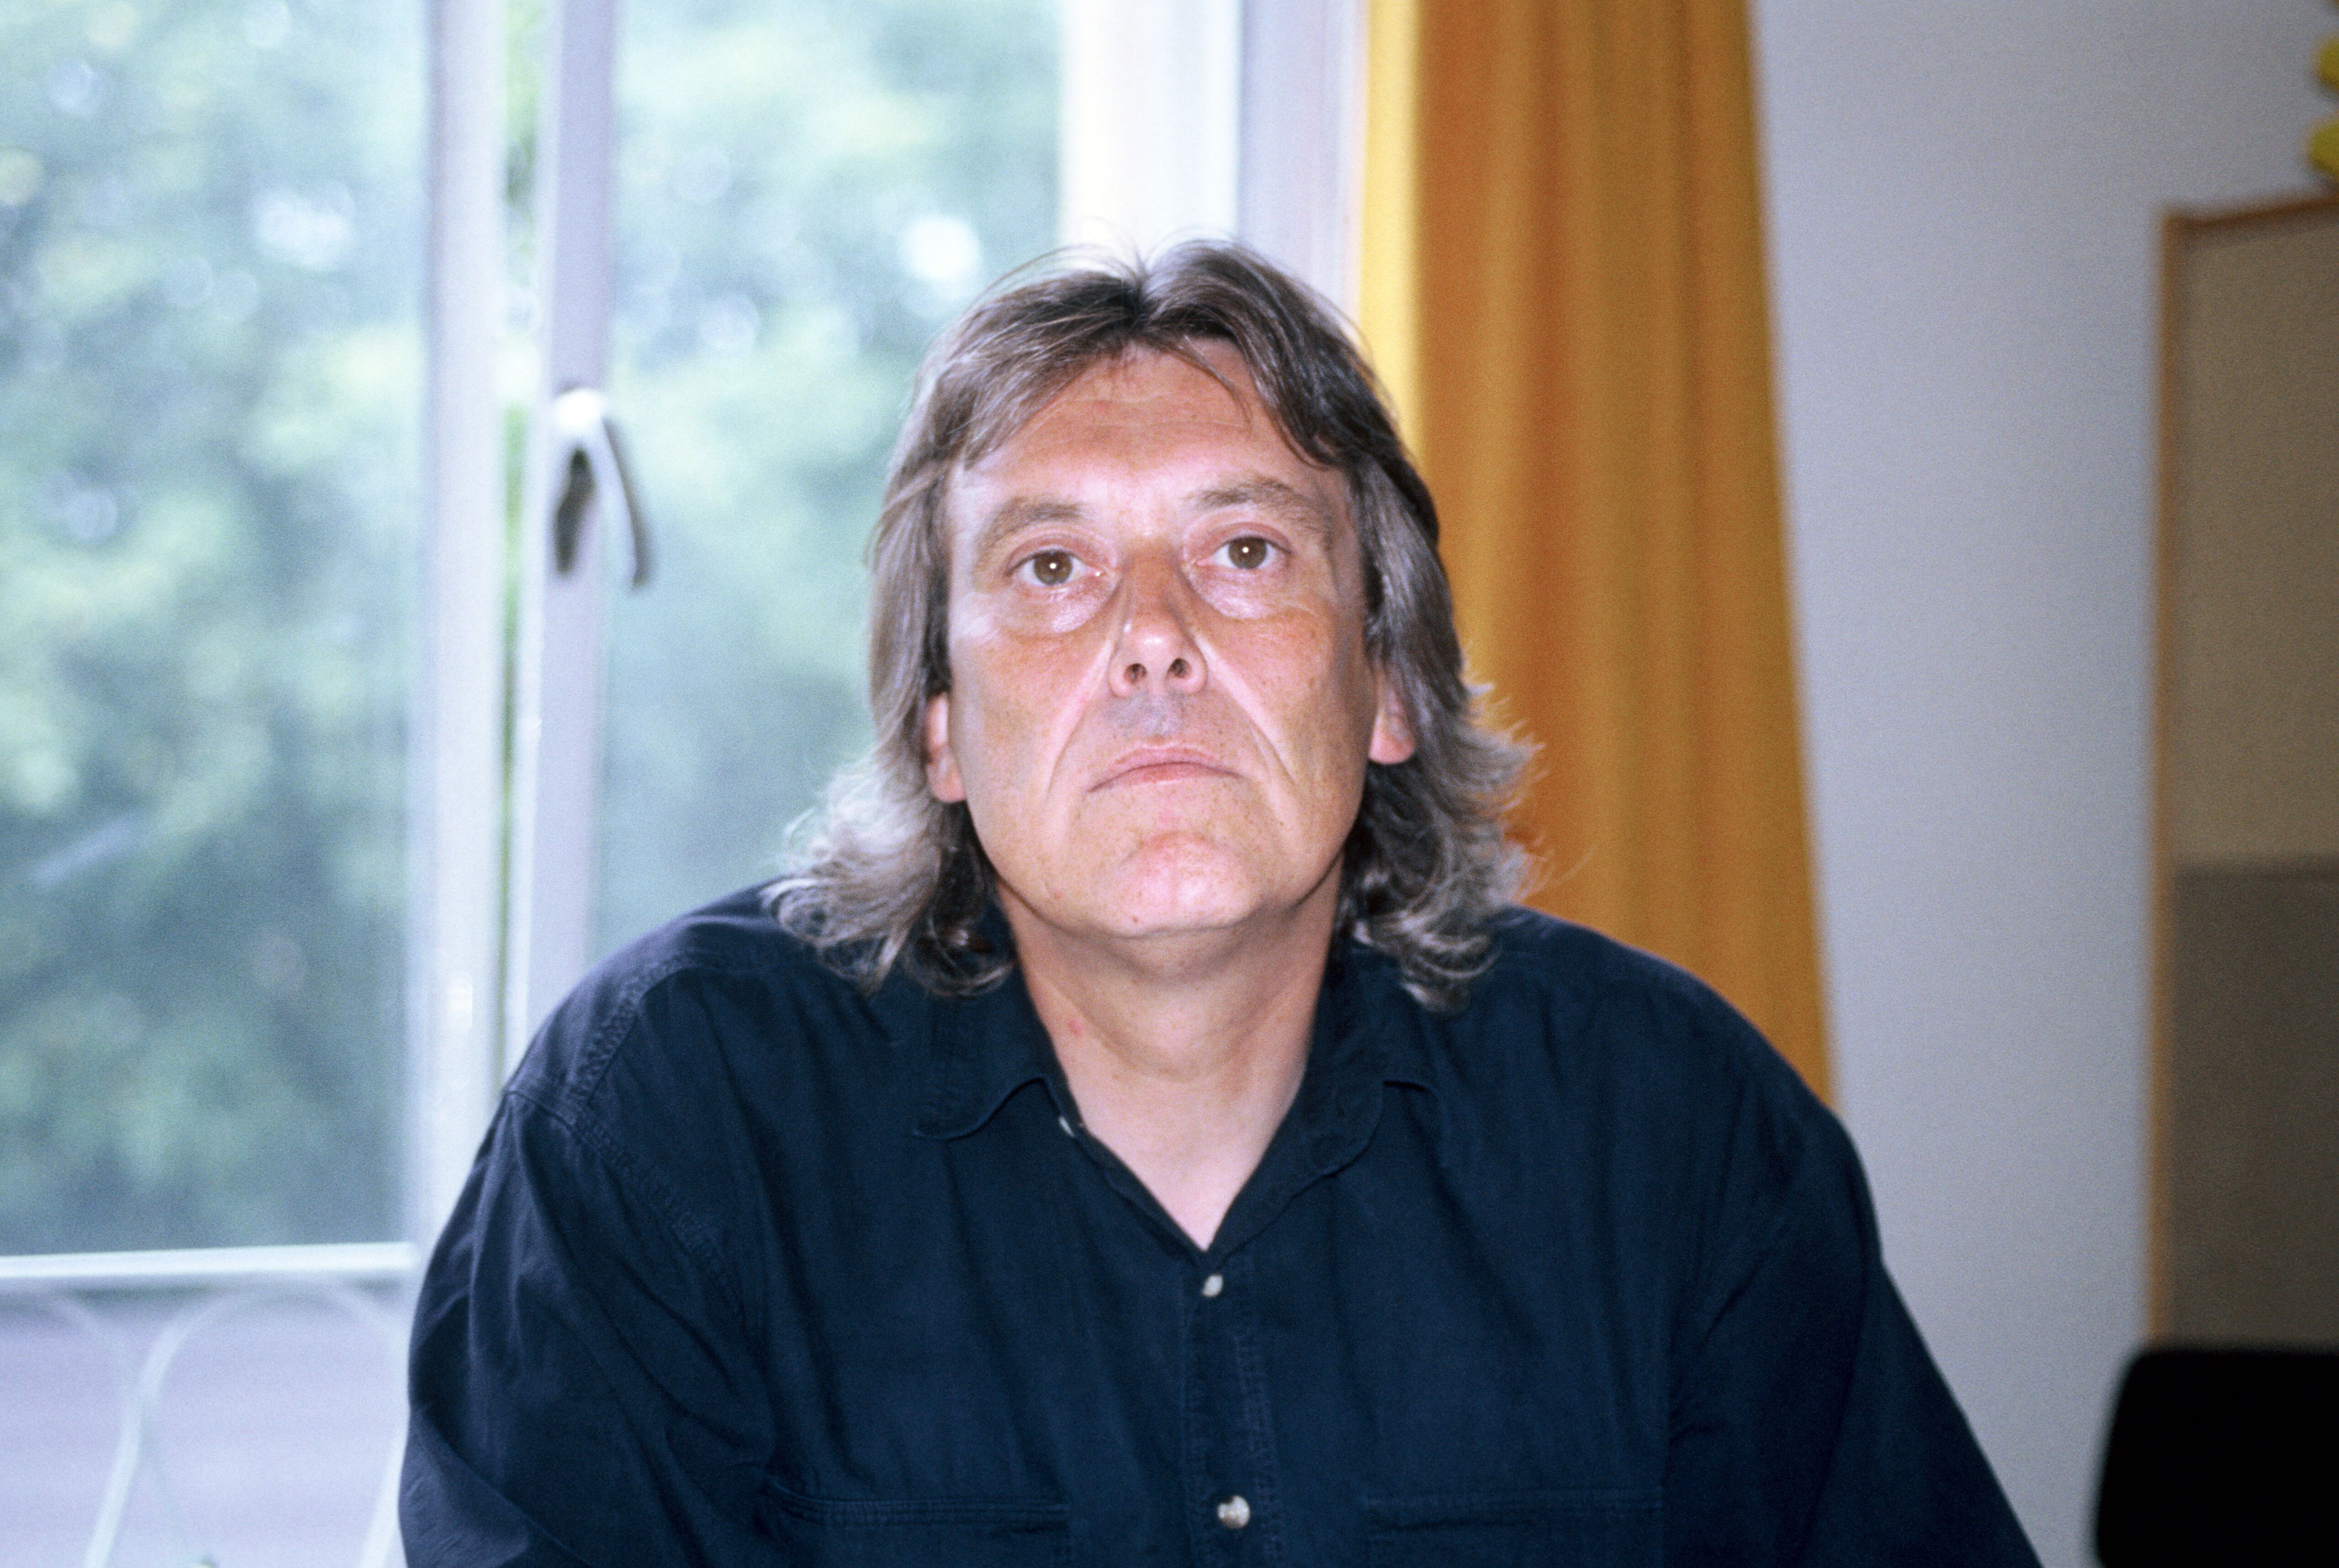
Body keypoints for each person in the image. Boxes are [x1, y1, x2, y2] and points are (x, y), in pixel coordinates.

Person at [402, 241, 2038, 1566]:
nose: (1153, 638)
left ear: (1388, 687)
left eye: (1245, 551)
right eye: (1052, 568)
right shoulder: (671, 1120)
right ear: (941, 726)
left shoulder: (1671, 1130)